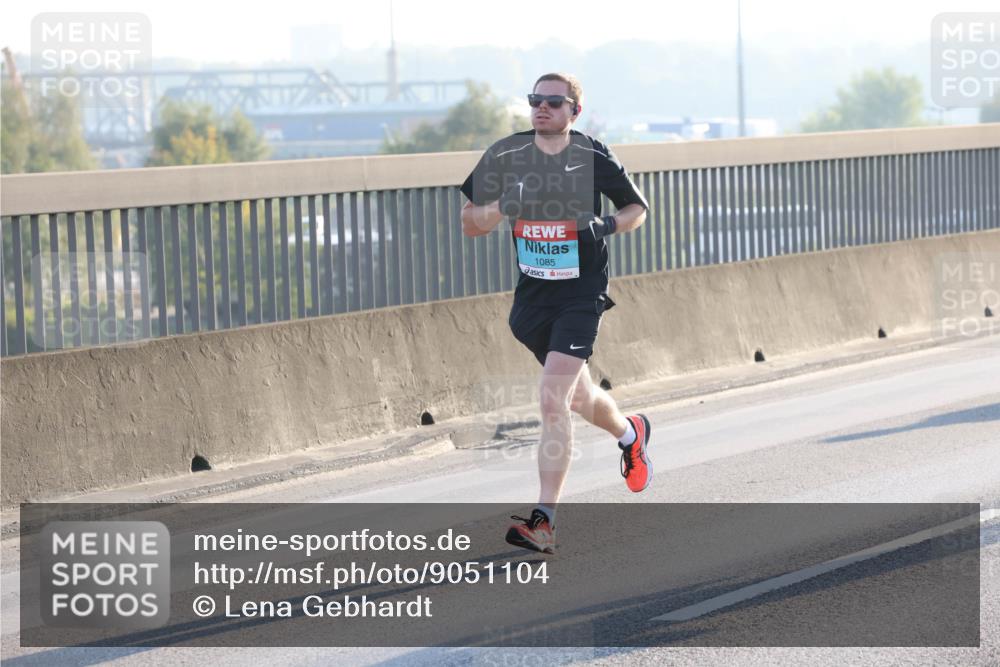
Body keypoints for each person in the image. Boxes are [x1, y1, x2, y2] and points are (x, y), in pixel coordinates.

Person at [460, 73, 653, 555]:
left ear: (574, 112)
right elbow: (469, 223)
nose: (541, 109)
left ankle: (543, 521)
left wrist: (602, 224)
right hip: (532, 302)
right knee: (579, 399)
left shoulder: (592, 154)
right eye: (535, 101)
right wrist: (503, 205)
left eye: (553, 102)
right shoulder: (506, 155)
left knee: (551, 399)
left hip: (580, 297)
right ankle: (632, 433)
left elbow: (637, 210)